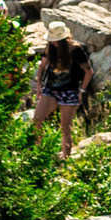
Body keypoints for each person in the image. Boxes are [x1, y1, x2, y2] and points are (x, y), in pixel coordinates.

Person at [31, 20, 90, 159]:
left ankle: (65, 158)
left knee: (65, 127)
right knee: (36, 120)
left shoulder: (76, 50)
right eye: (52, 40)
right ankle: (37, 154)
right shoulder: (50, 48)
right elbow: (42, 67)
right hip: (50, 89)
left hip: (70, 91)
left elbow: (89, 71)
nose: (54, 43)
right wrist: (38, 86)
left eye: (56, 40)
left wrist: (81, 91)